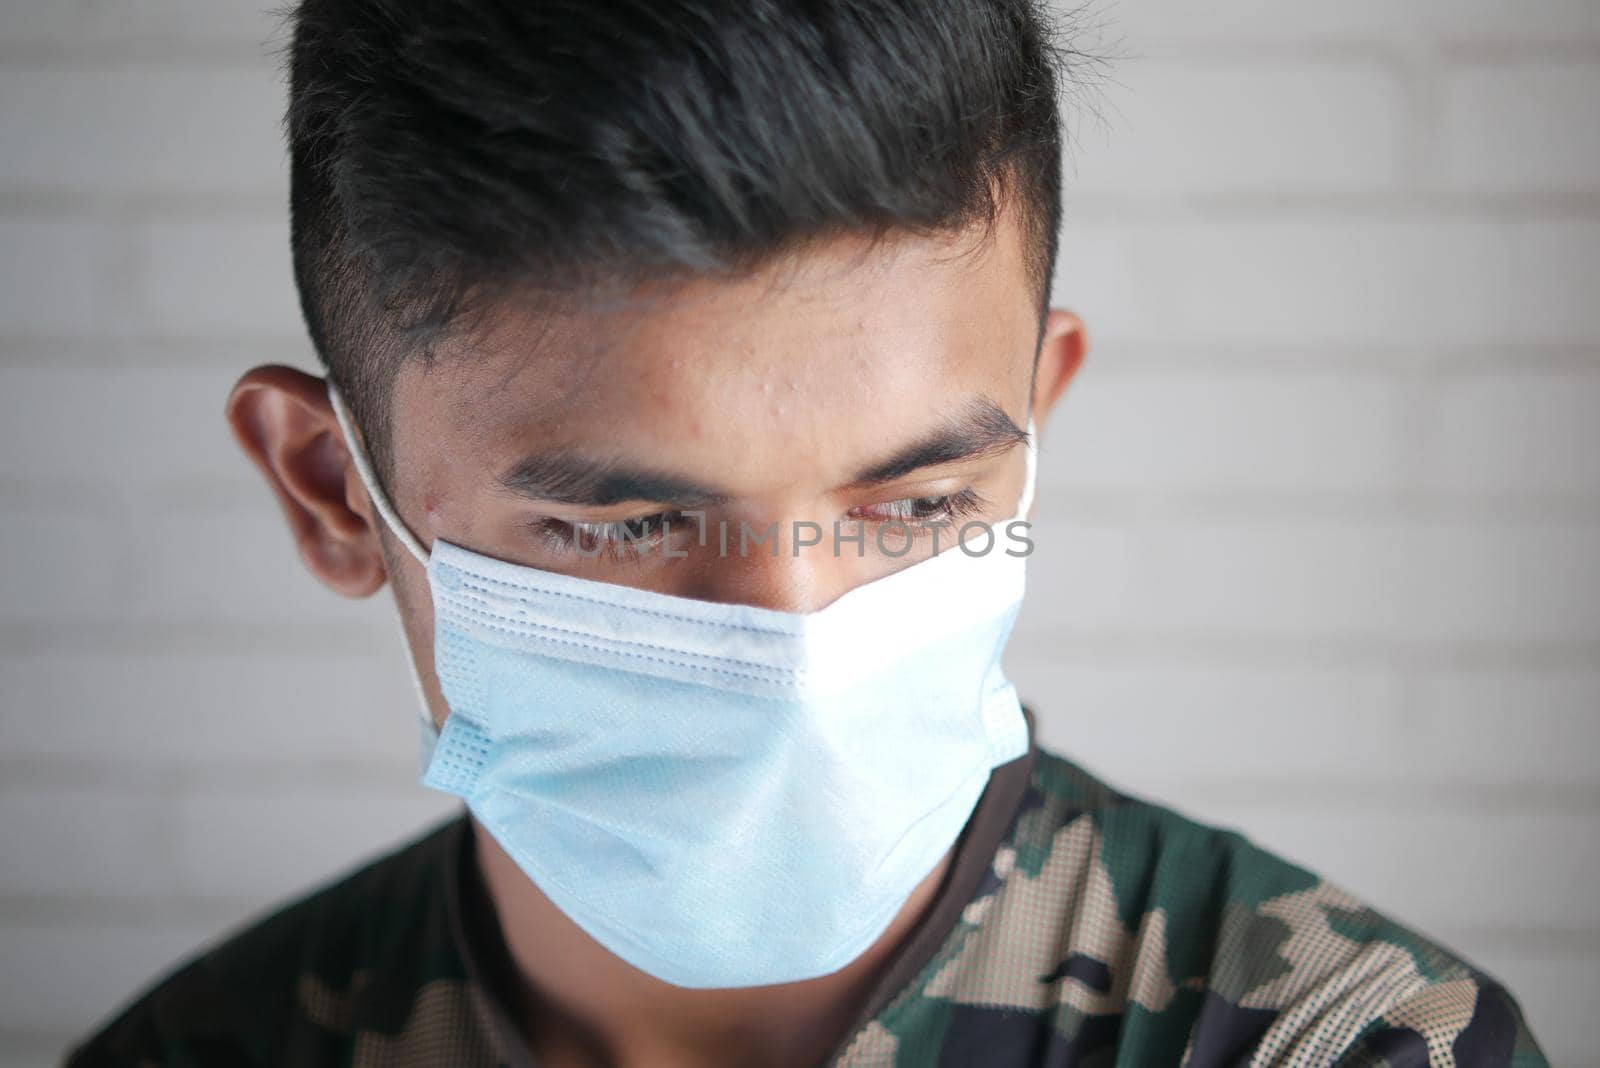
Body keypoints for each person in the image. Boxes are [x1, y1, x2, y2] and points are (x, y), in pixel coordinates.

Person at [67, 1, 1548, 1065]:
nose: (795, 645)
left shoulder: (1341, 1040)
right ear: (332, 487)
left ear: (1037, 418)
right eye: (632, 524)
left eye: (916, 505)